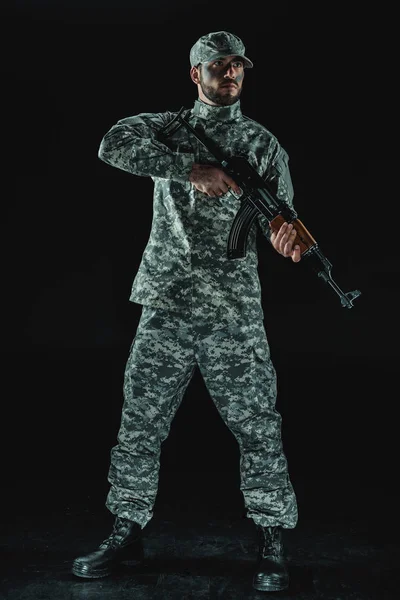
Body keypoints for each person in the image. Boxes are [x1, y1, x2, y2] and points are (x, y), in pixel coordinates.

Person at [72, 30, 300, 593]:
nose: (230, 75)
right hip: (167, 302)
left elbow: (282, 217)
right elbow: (111, 144)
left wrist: (288, 237)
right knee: (140, 423)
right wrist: (187, 168)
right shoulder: (165, 128)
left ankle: (273, 536)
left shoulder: (263, 145)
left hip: (232, 311)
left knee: (257, 425)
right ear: (195, 74)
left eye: (237, 66)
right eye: (218, 66)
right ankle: (128, 527)